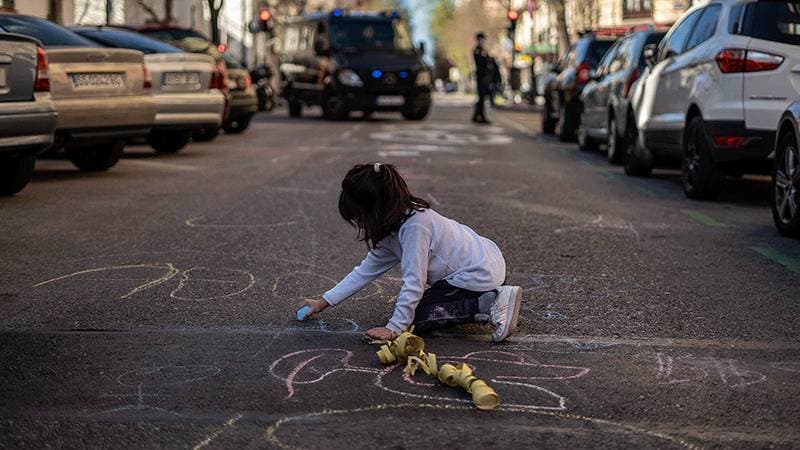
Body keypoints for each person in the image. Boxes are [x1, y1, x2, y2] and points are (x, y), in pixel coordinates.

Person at [299, 163, 523, 342]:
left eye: (360, 218)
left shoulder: (414, 226)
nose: (361, 225)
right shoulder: (394, 226)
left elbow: (414, 282)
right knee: (413, 310)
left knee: (418, 318)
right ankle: (483, 296)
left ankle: (489, 300)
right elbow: (364, 271)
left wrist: (394, 328)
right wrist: (324, 301)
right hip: (484, 259)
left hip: (477, 273)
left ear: (376, 211)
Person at [472, 32, 492, 123]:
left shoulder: (483, 50)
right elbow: (481, 63)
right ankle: (480, 116)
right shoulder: (477, 50)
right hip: (481, 77)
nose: (483, 41)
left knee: (482, 97)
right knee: (481, 97)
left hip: (484, 77)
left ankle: (477, 115)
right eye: (482, 39)